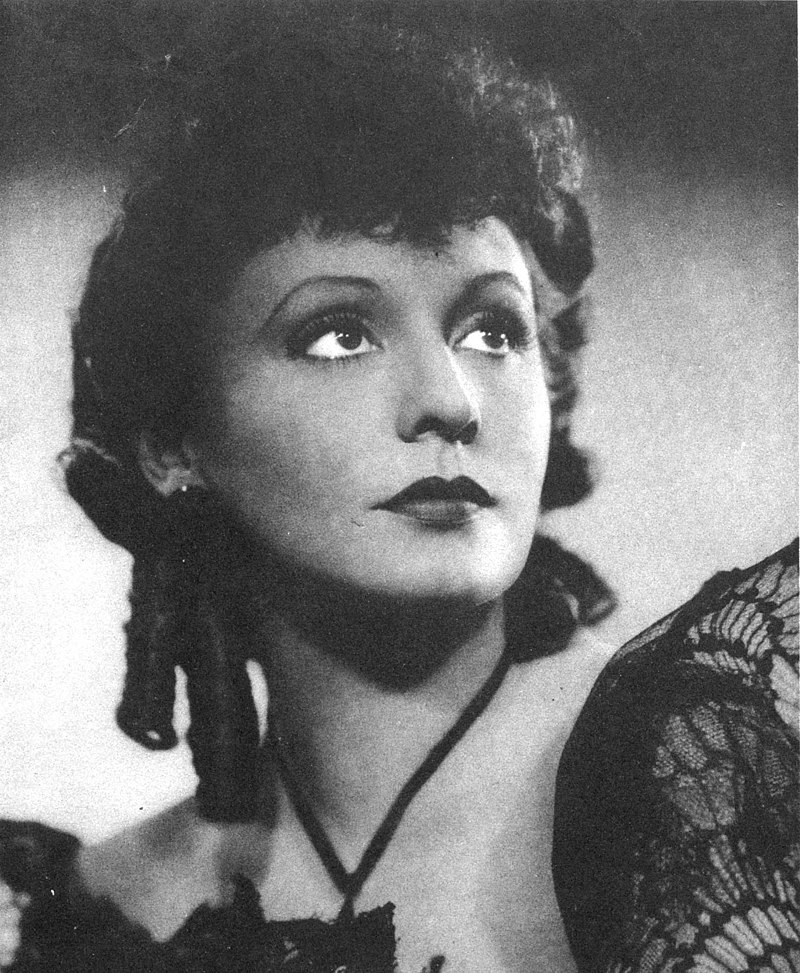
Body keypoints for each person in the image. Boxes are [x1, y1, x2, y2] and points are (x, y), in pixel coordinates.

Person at [0, 16, 796, 973]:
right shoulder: (98, 908)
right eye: (340, 335)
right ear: (174, 444)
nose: (450, 403)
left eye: (493, 331)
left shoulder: (702, 767)